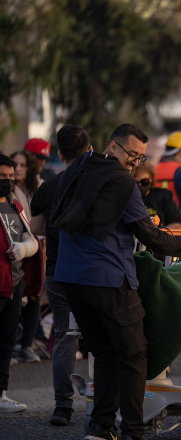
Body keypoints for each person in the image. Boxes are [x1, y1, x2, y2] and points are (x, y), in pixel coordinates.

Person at [51, 123, 181, 440]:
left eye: (140, 158)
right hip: (109, 279)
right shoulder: (123, 184)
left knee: (105, 352)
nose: (134, 163)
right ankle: (134, 431)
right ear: (113, 147)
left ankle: (100, 427)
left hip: (71, 279)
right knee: (134, 354)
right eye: (131, 154)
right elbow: (152, 238)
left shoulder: (73, 170)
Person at [29, 126, 92, 425]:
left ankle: (63, 406)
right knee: (105, 337)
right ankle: (105, 405)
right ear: (90, 149)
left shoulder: (49, 186)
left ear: (59, 154)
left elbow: (36, 228)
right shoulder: (101, 183)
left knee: (66, 337)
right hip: (96, 273)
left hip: (59, 271)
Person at [0, 154, 42, 413]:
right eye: (1, 176)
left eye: (10, 176)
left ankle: (1, 395)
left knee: (6, 342)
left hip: (14, 284)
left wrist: (21, 249)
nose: (6, 180)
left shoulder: (15, 206)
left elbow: (33, 241)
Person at [10, 149, 42, 363]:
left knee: (34, 295)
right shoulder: (9, 191)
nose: (18, 169)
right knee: (13, 298)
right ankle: (10, 348)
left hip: (36, 248)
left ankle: (27, 346)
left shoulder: (37, 188)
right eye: (15, 164)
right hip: (16, 247)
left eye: (22, 165)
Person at [132, 163, 181, 229]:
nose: (139, 185)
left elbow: (177, 224)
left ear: (151, 179)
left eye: (144, 181)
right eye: (135, 182)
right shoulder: (127, 197)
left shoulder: (164, 196)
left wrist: (157, 235)